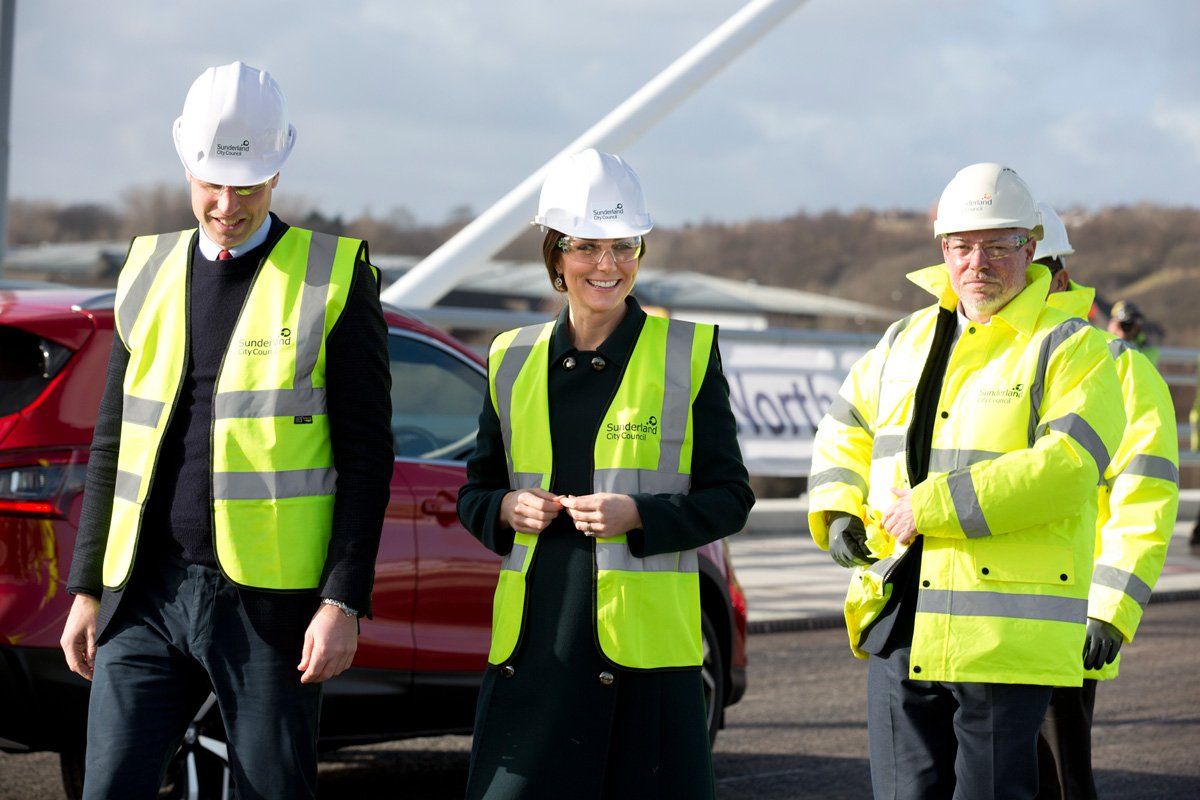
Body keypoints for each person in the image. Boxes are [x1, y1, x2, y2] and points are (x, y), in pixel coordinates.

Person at [59, 61, 392, 799]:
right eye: (212, 183)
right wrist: (89, 587)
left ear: (277, 175)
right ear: (187, 166)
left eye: (246, 186)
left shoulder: (333, 275)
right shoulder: (146, 269)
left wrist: (342, 600)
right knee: (107, 786)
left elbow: (368, 457)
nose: (226, 203)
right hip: (144, 591)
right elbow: (115, 443)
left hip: (268, 605)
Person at [809, 163, 1125, 800]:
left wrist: (934, 505)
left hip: (1001, 629)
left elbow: (1067, 467)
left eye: (996, 245)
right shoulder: (904, 339)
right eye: (961, 245)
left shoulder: (1074, 349)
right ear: (942, 250)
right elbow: (845, 426)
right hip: (899, 610)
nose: (976, 261)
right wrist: (836, 506)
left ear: (1029, 249)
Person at [456, 148, 754, 800]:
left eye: (623, 247)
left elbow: (731, 499)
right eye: (588, 247)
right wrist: (505, 509)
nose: (607, 266)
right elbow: (474, 491)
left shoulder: (688, 355)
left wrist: (640, 515)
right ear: (556, 255)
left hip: (647, 665)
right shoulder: (510, 358)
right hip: (535, 656)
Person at [1034, 203, 1180, 799]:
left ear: (1061, 278)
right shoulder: (962, 355)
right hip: (965, 618)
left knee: (1062, 779)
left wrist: (1111, 608)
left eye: (1031, 264)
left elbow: (1142, 492)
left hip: (1064, 612)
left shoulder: (1120, 368)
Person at [1106, 300, 1160, 366]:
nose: (1126, 327)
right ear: (1112, 324)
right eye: (1123, 323)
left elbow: (1138, 367)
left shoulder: (1148, 349)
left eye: (1130, 323)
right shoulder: (1102, 344)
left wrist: (1124, 344)